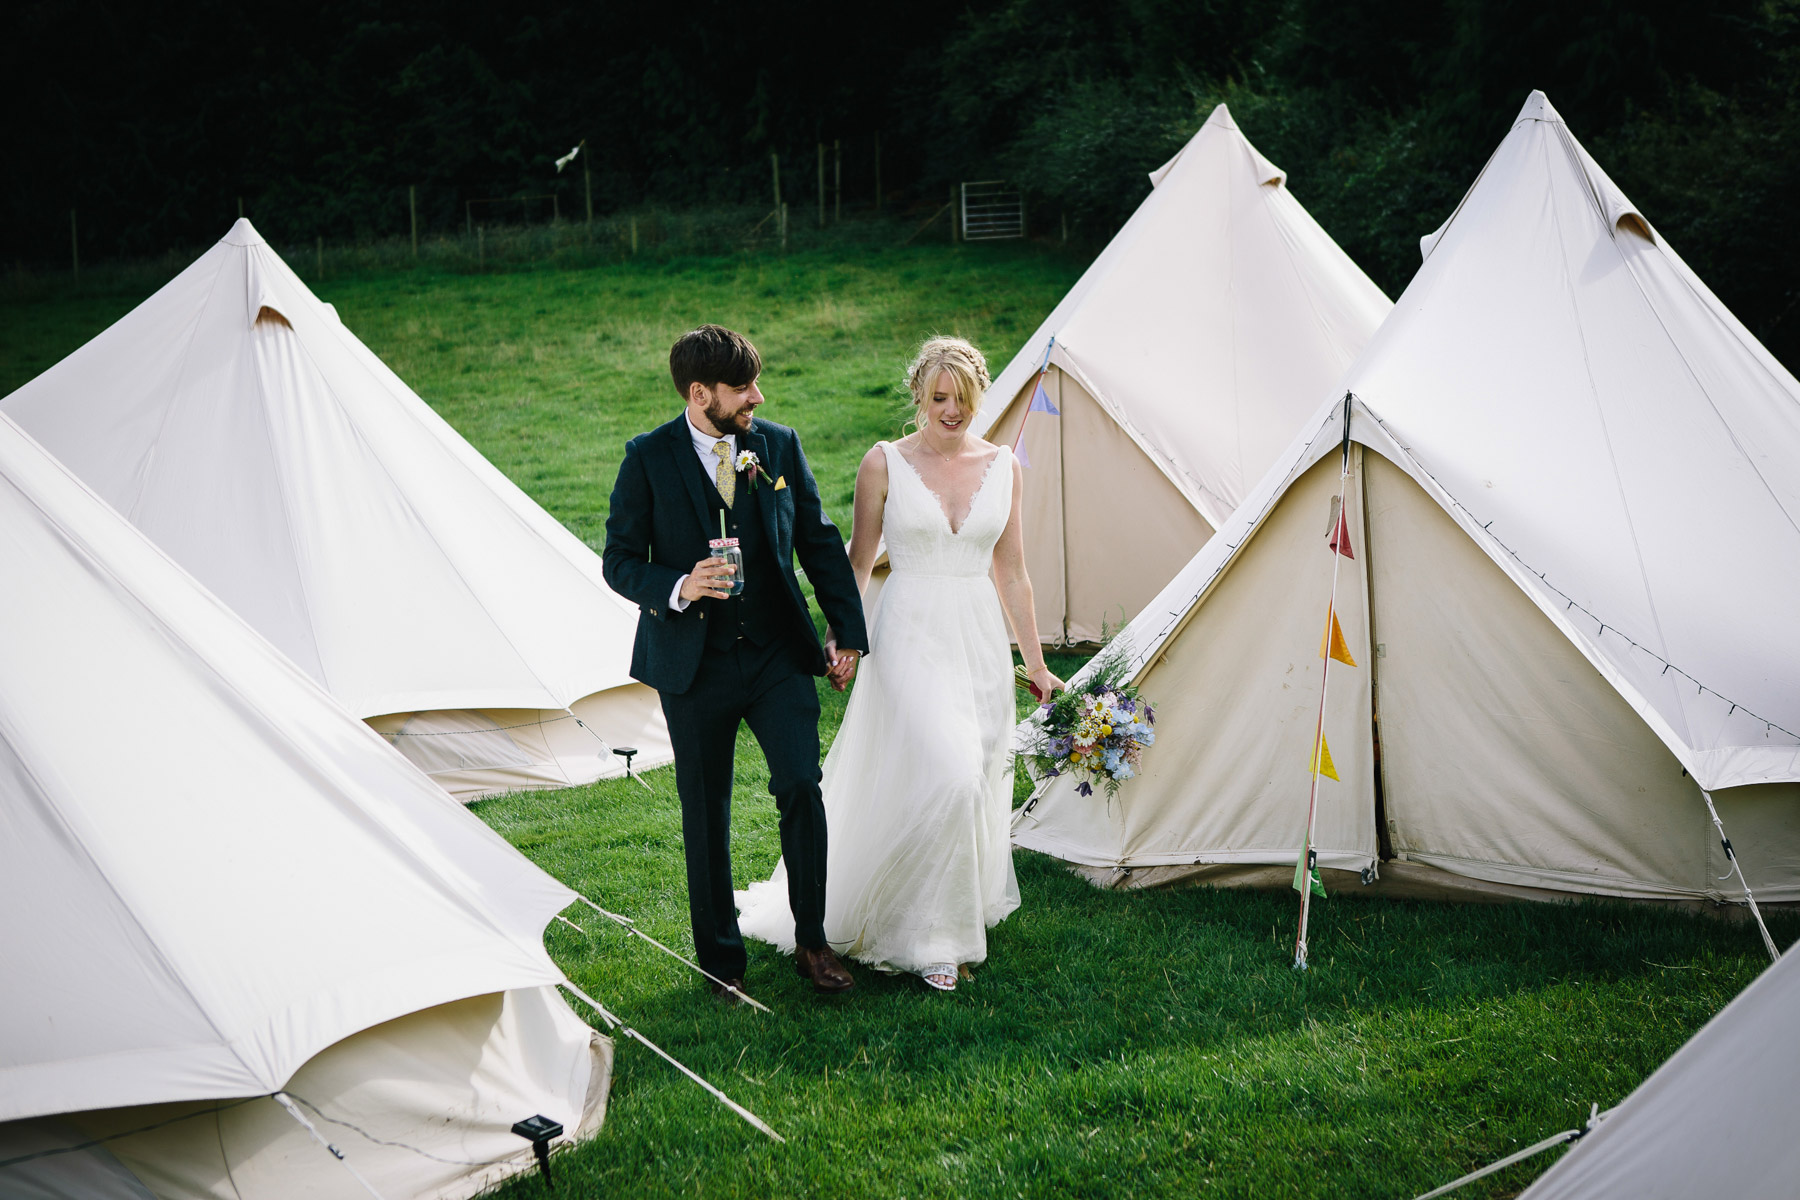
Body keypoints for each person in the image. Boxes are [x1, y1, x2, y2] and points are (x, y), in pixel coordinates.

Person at [737, 336, 1064, 991]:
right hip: (909, 634)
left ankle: (924, 908)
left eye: (964, 399)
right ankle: (936, 944)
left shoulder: (1005, 466)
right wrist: (842, 640)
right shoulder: (882, 463)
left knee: (969, 780)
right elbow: (856, 563)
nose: (952, 410)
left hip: (978, 642)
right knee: (951, 775)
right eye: (939, 398)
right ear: (917, 395)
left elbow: (1014, 571)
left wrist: (1037, 664)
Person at [602, 324, 869, 1003]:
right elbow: (619, 561)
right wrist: (680, 585)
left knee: (800, 788)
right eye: (740, 388)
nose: (756, 396)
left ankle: (813, 942)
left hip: (777, 651)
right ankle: (722, 963)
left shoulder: (776, 445)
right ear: (699, 394)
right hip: (695, 666)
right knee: (706, 810)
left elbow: (816, 535)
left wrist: (848, 629)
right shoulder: (647, 459)